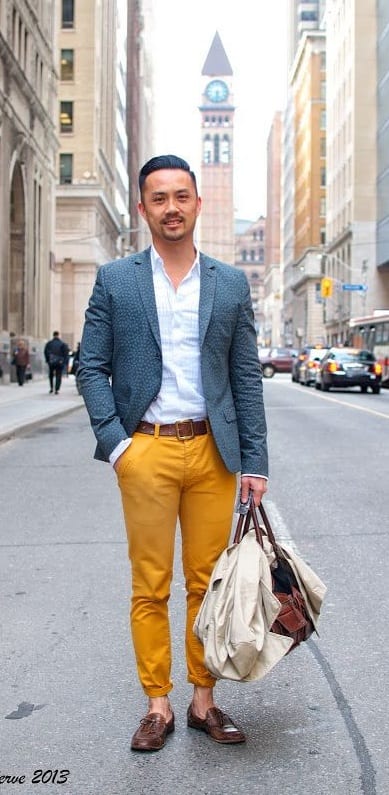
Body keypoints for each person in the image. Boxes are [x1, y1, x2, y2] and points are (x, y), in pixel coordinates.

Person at [78, 154, 268, 752]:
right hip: (148, 451)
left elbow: (245, 377)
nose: (171, 207)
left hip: (213, 452)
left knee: (206, 583)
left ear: (198, 203)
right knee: (150, 584)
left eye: (181, 196)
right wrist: (117, 446)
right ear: (143, 209)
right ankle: (157, 704)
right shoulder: (117, 279)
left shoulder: (230, 283)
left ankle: (203, 699)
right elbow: (90, 366)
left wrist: (254, 462)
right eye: (158, 198)